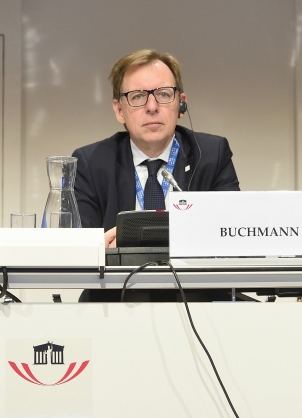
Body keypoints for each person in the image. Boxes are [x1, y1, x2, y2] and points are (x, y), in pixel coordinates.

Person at [73, 49, 241, 301]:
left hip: (198, 299)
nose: (152, 107)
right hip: (116, 302)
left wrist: (131, 242)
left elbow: (230, 234)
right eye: (138, 96)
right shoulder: (91, 162)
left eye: (163, 95)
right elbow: (80, 251)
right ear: (119, 110)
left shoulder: (211, 155)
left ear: (180, 104)